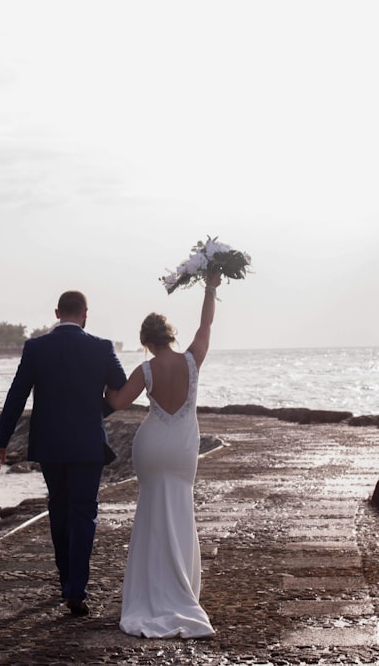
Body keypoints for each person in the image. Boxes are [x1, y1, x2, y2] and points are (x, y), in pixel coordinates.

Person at [0, 290, 127, 617]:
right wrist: (95, 412)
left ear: (57, 313)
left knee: (59, 508)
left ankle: (65, 578)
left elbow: (17, 396)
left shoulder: (36, 348)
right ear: (85, 314)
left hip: (50, 444)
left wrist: (2, 441)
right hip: (87, 444)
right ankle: (77, 588)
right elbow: (121, 388)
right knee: (85, 512)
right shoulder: (102, 347)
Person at [106, 270, 220, 638]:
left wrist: (100, 382)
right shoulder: (192, 360)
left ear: (146, 341)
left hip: (152, 447)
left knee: (152, 515)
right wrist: (211, 286)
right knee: (180, 512)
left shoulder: (145, 368)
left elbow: (119, 402)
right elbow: (206, 324)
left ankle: (150, 594)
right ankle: (181, 591)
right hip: (184, 448)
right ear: (170, 336)